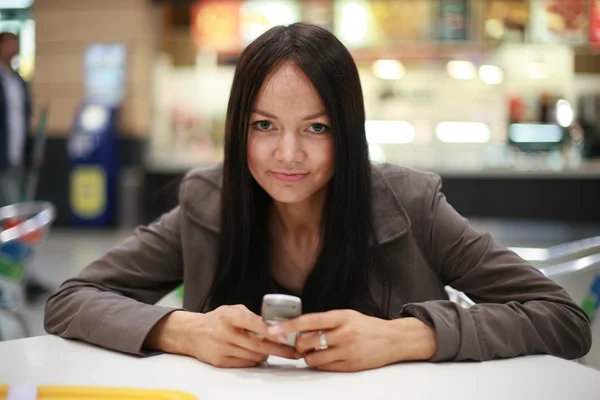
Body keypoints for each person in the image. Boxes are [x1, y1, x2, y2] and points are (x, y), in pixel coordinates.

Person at [44, 23, 591, 372]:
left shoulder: (410, 203)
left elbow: (564, 319)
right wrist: (183, 328)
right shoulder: (208, 199)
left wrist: (407, 337)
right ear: (239, 129)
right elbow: (70, 299)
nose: (287, 154)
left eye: (316, 129)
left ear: (348, 132)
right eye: (264, 125)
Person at [0, 31, 51, 303]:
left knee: (15, 218)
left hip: (17, 160)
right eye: (10, 43)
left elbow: (22, 121)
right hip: (2, 162)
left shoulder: (17, 80)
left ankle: (17, 274)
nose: (15, 48)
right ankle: (19, 276)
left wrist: (32, 151)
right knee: (12, 220)